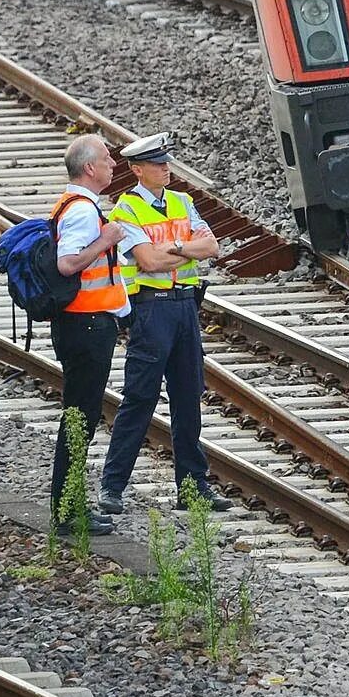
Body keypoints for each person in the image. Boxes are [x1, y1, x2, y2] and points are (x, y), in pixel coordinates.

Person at [95, 134, 221, 517]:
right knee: (139, 398)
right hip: (151, 312)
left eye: (166, 163)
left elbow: (212, 247)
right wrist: (184, 251)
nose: (166, 168)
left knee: (188, 399)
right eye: (157, 164)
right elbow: (147, 262)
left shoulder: (183, 202)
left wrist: (176, 250)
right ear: (137, 170)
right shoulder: (126, 211)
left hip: (185, 308)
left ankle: (193, 489)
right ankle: (113, 487)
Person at [46, 133, 128, 527]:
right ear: (90, 168)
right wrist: (107, 239)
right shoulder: (82, 211)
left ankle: (70, 505)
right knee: (80, 417)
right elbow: (68, 264)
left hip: (85, 324)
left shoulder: (75, 205)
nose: (114, 164)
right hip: (86, 325)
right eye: (108, 159)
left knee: (80, 415)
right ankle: (68, 511)